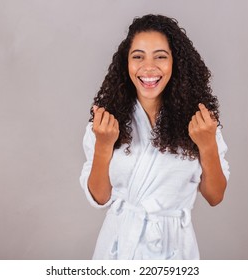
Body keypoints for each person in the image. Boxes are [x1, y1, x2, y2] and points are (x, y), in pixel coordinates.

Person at [80, 14, 230, 260]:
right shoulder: (106, 122)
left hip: (175, 248)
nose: (148, 68)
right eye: (138, 56)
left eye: (161, 56)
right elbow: (99, 197)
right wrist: (103, 146)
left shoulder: (200, 123)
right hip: (119, 246)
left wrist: (208, 145)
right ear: (125, 64)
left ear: (176, 63)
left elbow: (215, 196)